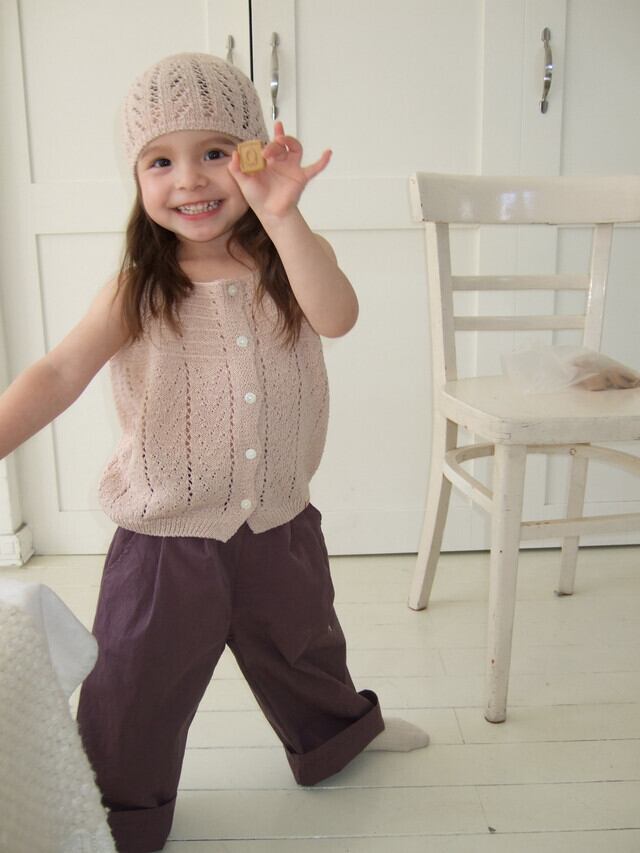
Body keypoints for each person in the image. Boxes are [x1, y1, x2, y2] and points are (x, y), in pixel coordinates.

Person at [0, 53, 428, 853]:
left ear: (253, 155)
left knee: (307, 647)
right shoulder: (137, 286)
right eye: (160, 161)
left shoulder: (287, 262)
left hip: (278, 522)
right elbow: (57, 372)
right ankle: (119, 817)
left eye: (215, 152)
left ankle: (337, 740)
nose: (190, 179)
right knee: (132, 687)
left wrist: (286, 216)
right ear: (136, 177)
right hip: (164, 540)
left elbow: (338, 315)